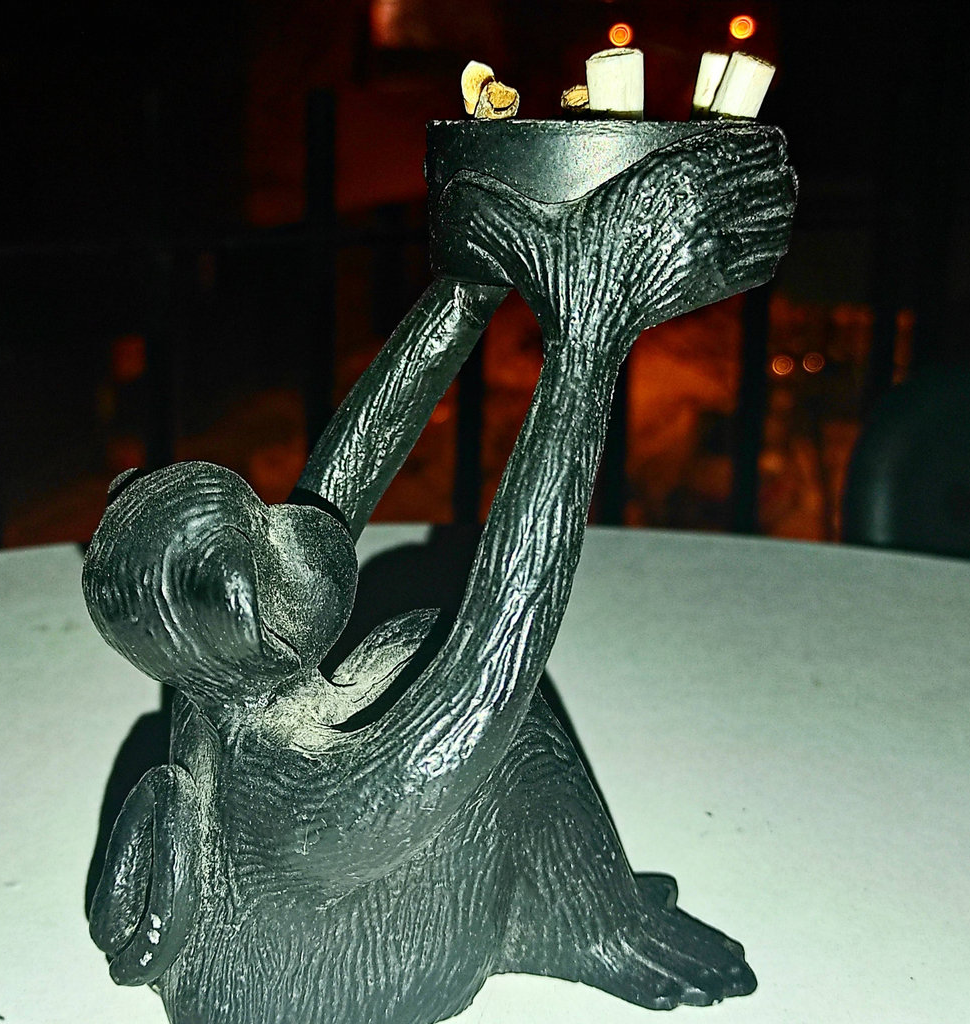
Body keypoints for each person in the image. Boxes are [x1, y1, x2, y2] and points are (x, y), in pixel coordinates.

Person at [82, 125, 793, 1024]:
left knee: (412, 647)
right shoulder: (303, 805)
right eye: (269, 534)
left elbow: (343, 478)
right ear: (245, 611)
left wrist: (466, 290)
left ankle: (555, 905)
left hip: (255, 955)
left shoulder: (215, 675)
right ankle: (586, 924)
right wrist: (587, 339)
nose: (296, 519)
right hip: (326, 996)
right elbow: (501, 638)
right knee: (496, 718)